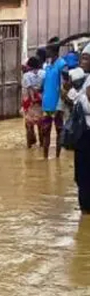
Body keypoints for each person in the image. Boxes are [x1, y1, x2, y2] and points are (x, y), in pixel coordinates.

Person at [40, 36, 66, 159]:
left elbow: (63, 87)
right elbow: (45, 85)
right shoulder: (48, 65)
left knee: (59, 131)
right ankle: (45, 158)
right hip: (47, 105)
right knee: (45, 132)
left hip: (57, 106)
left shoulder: (62, 65)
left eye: (48, 49)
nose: (46, 52)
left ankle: (57, 157)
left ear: (53, 50)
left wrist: (59, 106)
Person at [73, 45, 90, 213]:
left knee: (84, 175)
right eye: (82, 57)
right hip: (83, 133)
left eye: (86, 58)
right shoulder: (85, 79)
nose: (82, 62)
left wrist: (73, 94)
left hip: (87, 134)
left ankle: (86, 210)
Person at [22, 56, 45, 148]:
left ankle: (29, 145)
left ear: (30, 65)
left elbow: (28, 88)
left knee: (29, 125)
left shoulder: (26, 75)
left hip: (30, 103)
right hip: (42, 102)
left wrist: (32, 99)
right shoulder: (44, 73)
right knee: (41, 125)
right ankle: (42, 144)